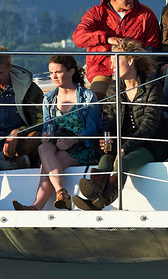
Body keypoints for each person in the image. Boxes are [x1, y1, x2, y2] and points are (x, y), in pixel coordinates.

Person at [77, 39, 168, 210]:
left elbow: (149, 126)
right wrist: (109, 140)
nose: (111, 66)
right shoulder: (113, 88)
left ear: (131, 60)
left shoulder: (152, 87)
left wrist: (124, 147)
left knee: (122, 163)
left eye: (115, 61)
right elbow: (109, 120)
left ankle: (104, 199)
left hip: (151, 144)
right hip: (123, 142)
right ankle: (94, 198)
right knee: (105, 159)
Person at [11, 54, 101, 212]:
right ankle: (61, 193)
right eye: (51, 73)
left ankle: (36, 206)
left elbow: (94, 129)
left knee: (48, 164)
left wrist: (73, 140)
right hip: (57, 144)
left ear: (71, 71)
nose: (54, 76)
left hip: (81, 146)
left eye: (58, 72)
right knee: (42, 148)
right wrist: (47, 135)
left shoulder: (87, 96)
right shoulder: (49, 98)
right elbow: (48, 127)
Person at [72, 0, 162, 97]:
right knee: (96, 100)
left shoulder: (146, 15)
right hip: (102, 72)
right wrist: (106, 38)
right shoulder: (96, 14)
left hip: (135, 74)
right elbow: (78, 37)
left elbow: (152, 49)